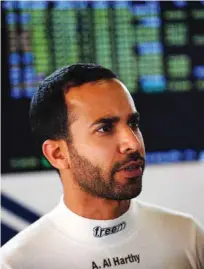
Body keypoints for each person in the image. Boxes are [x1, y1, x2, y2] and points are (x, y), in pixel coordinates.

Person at [1, 63, 204, 269]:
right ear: (58, 154)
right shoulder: (16, 263)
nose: (133, 143)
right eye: (105, 128)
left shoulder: (187, 237)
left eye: (133, 124)